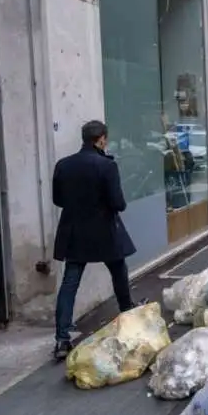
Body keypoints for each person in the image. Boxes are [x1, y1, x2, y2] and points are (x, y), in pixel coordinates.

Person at [51, 120, 139, 360]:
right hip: (104, 231)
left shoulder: (63, 165)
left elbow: (58, 200)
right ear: (101, 139)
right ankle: (127, 313)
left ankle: (61, 339)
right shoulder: (107, 166)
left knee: (70, 283)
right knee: (118, 270)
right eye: (105, 139)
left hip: (74, 231)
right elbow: (117, 203)